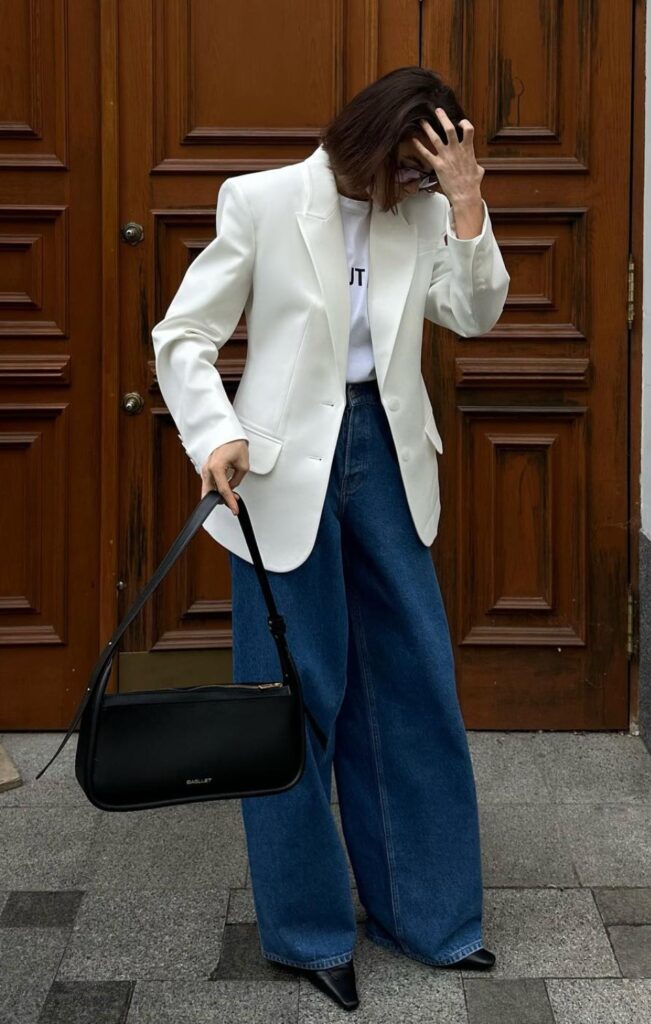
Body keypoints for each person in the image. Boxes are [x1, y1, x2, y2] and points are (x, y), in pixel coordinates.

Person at [152, 66, 510, 1012]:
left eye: (432, 172)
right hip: (277, 473)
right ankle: (308, 934)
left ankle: (430, 918)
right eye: (411, 165)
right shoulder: (263, 200)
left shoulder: (429, 210)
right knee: (294, 698)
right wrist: (214, 430)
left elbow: (472, 313)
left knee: (413, 688)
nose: (417, 185)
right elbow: (183, 334)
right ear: (372, 141)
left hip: (389, 461)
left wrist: (468, 205)